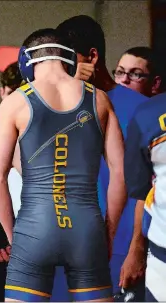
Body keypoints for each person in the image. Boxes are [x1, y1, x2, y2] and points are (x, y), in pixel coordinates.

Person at [0, 28, 126, 302]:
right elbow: (121, 174)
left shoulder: (15, 102)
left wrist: (14, 238)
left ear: (26, 62)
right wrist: (107, 234)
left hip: (34, 230)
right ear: (70, 59)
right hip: (86, 230)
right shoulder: (99, 99)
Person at [57, 15, 149, 298]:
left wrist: (137, 249)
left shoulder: (141, 110)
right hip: (69, 246)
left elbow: (151, 188)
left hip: (121, 246)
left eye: (67, 61)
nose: (61, 71)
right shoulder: (60, 107)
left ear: (92, 57)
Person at [124, 92, 166, 301]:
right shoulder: (147, 115)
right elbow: (143, 192)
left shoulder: (148, 115)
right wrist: (136, 250)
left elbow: (142, 192)